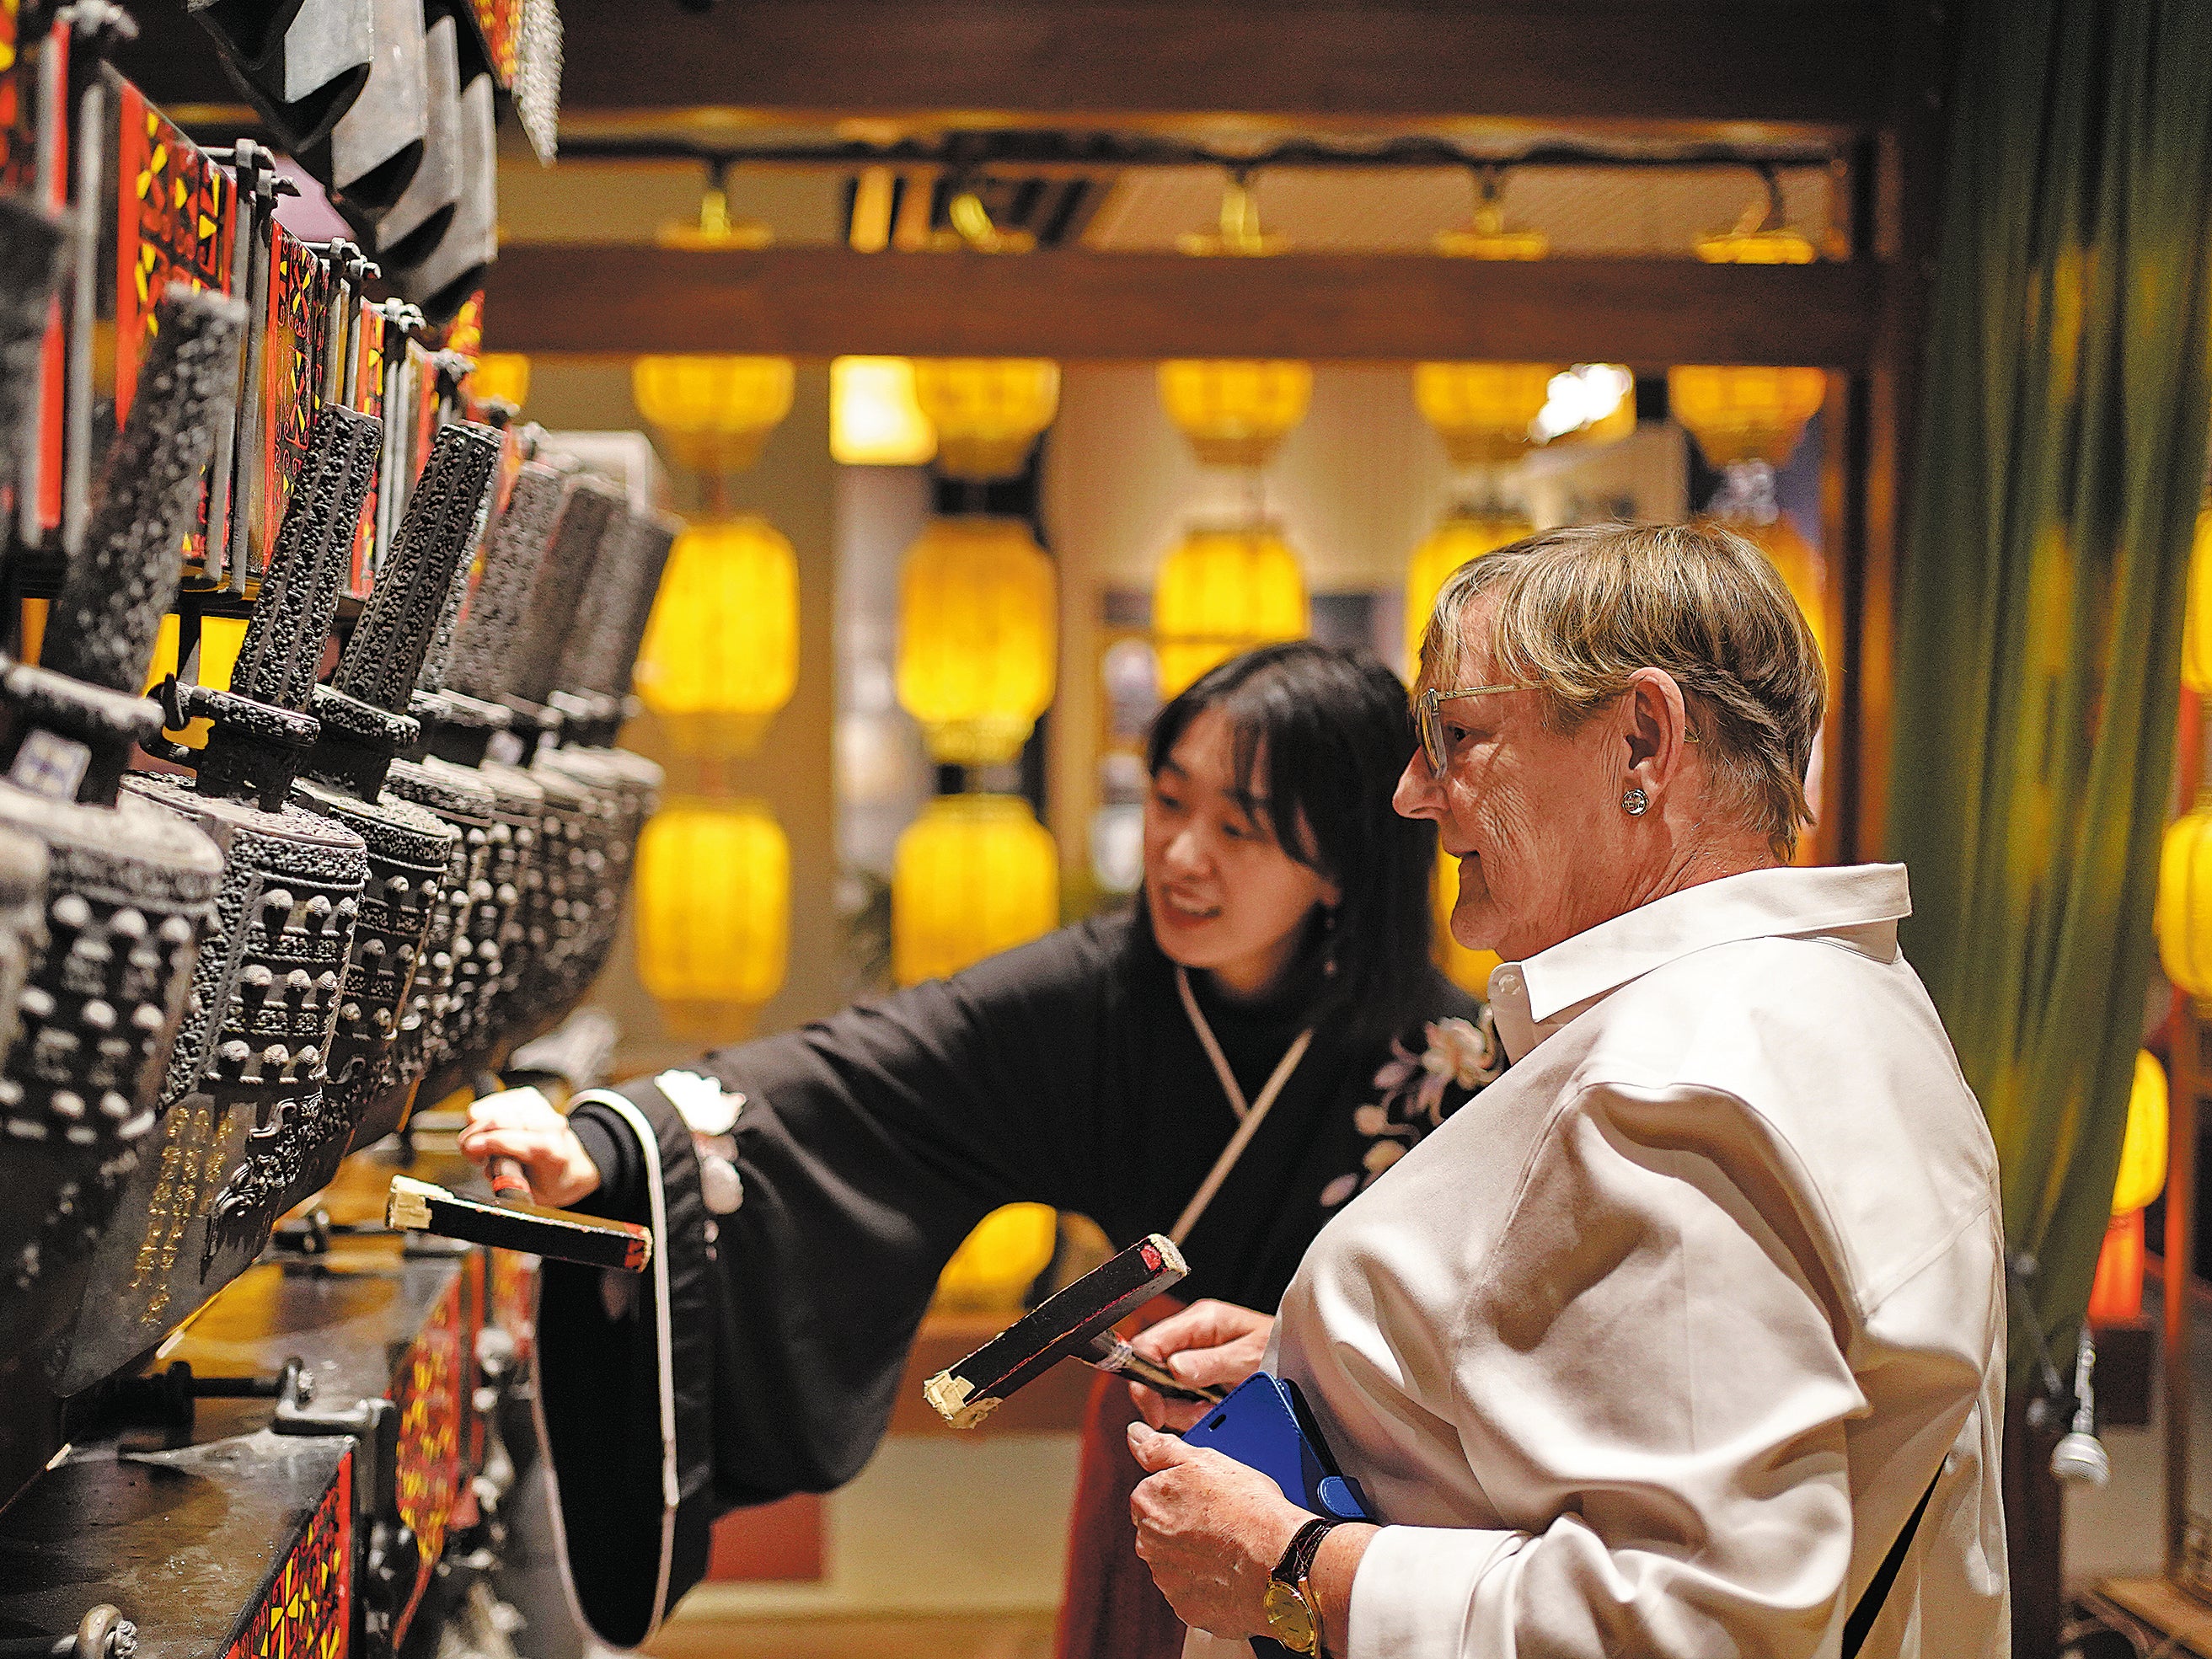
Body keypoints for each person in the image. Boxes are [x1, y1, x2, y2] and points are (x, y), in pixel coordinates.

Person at [458, 641, 1505, 1651]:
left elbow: (1503, 1353)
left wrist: (1307, 1354)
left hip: (1369, 1520)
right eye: (1169, 800)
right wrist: (615, 1142)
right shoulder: (1096, 995)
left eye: (1239, 827)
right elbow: (860, 1076)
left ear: (1341, 862)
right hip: (1163, 1468)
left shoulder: (1451, 1061)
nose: (1181, 853)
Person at [1120, 522, 2008, 1659]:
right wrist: (1372, 1387)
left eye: (1456, 736)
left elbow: (1700, 1621)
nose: (1412, 793)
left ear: (1642, 742)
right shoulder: (1836, 994)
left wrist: (1294, 1567)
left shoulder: (1681, 1082)